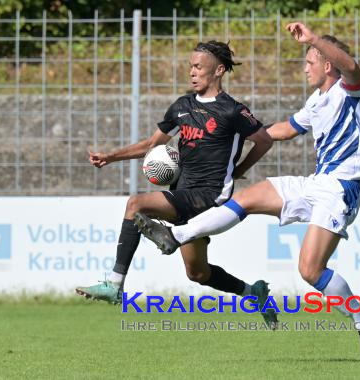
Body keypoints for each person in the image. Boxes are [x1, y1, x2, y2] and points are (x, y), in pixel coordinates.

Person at [135, 23, 360, 363]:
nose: (305, 67)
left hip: (341, 188)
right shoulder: (317, 99)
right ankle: (176, 235)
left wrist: (313, 39)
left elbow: (351, 66)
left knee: (310, 271)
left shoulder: (348, 89)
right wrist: (242, 131)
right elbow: (285, 130)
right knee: (249, 197)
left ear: (327, 64)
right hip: (317, 182)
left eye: (310, 61)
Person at [75, 40, 277, 327]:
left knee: (136, 204)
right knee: (198, 274)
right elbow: (151, 144)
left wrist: (239, 168)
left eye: (198, 67)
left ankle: (114, 284)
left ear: (218, 70)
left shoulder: (232, 111)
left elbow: (264, 140)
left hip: (210, 198)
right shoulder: (182, 106)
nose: (192, 72)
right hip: (183, 193)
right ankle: (253, 293)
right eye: (190, 66)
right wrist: (111, 157)